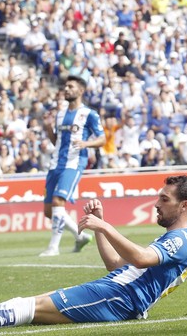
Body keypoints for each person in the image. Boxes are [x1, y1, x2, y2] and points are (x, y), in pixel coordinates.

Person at [0, 175, 187, 332]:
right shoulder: (174, 238)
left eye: (165, 199)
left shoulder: (182, 239)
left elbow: (141, 258)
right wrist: (100, 225)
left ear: (184, 206)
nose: (156, 204)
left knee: (31, 306)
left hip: (119, 298)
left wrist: (105, 226)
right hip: (115, 290)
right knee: (33, 305)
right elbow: (116, 264)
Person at [39, 75, 105, 257]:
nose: (66, 89)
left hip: (74, 163)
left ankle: (53, 247)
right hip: (55, 164)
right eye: (65, 86)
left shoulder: (89, 114)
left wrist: (86, 144)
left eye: (70, 86)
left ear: (81, 91)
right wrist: (47, 129)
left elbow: (102, 139)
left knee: (58, 202)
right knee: (48, 212)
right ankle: (80, 236)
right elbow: (57, 141)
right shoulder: (60, 114)